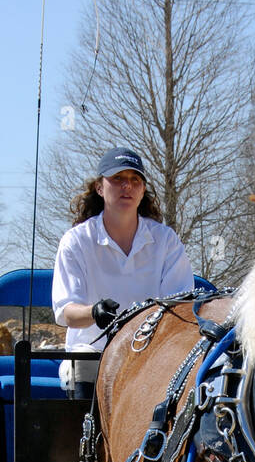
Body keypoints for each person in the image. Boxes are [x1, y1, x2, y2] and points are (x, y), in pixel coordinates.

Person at [52, 148, 193, 397]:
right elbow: (67, 312)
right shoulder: (76, 241)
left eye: (134, 179)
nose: (126, 186)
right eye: (117, 178)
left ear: (142, 191)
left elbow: (181, 305)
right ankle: (86, 435)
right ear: (99, 187)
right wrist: (94, 312)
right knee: (83, 361)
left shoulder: (166, 240)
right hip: (93, 353)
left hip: (150, 353)